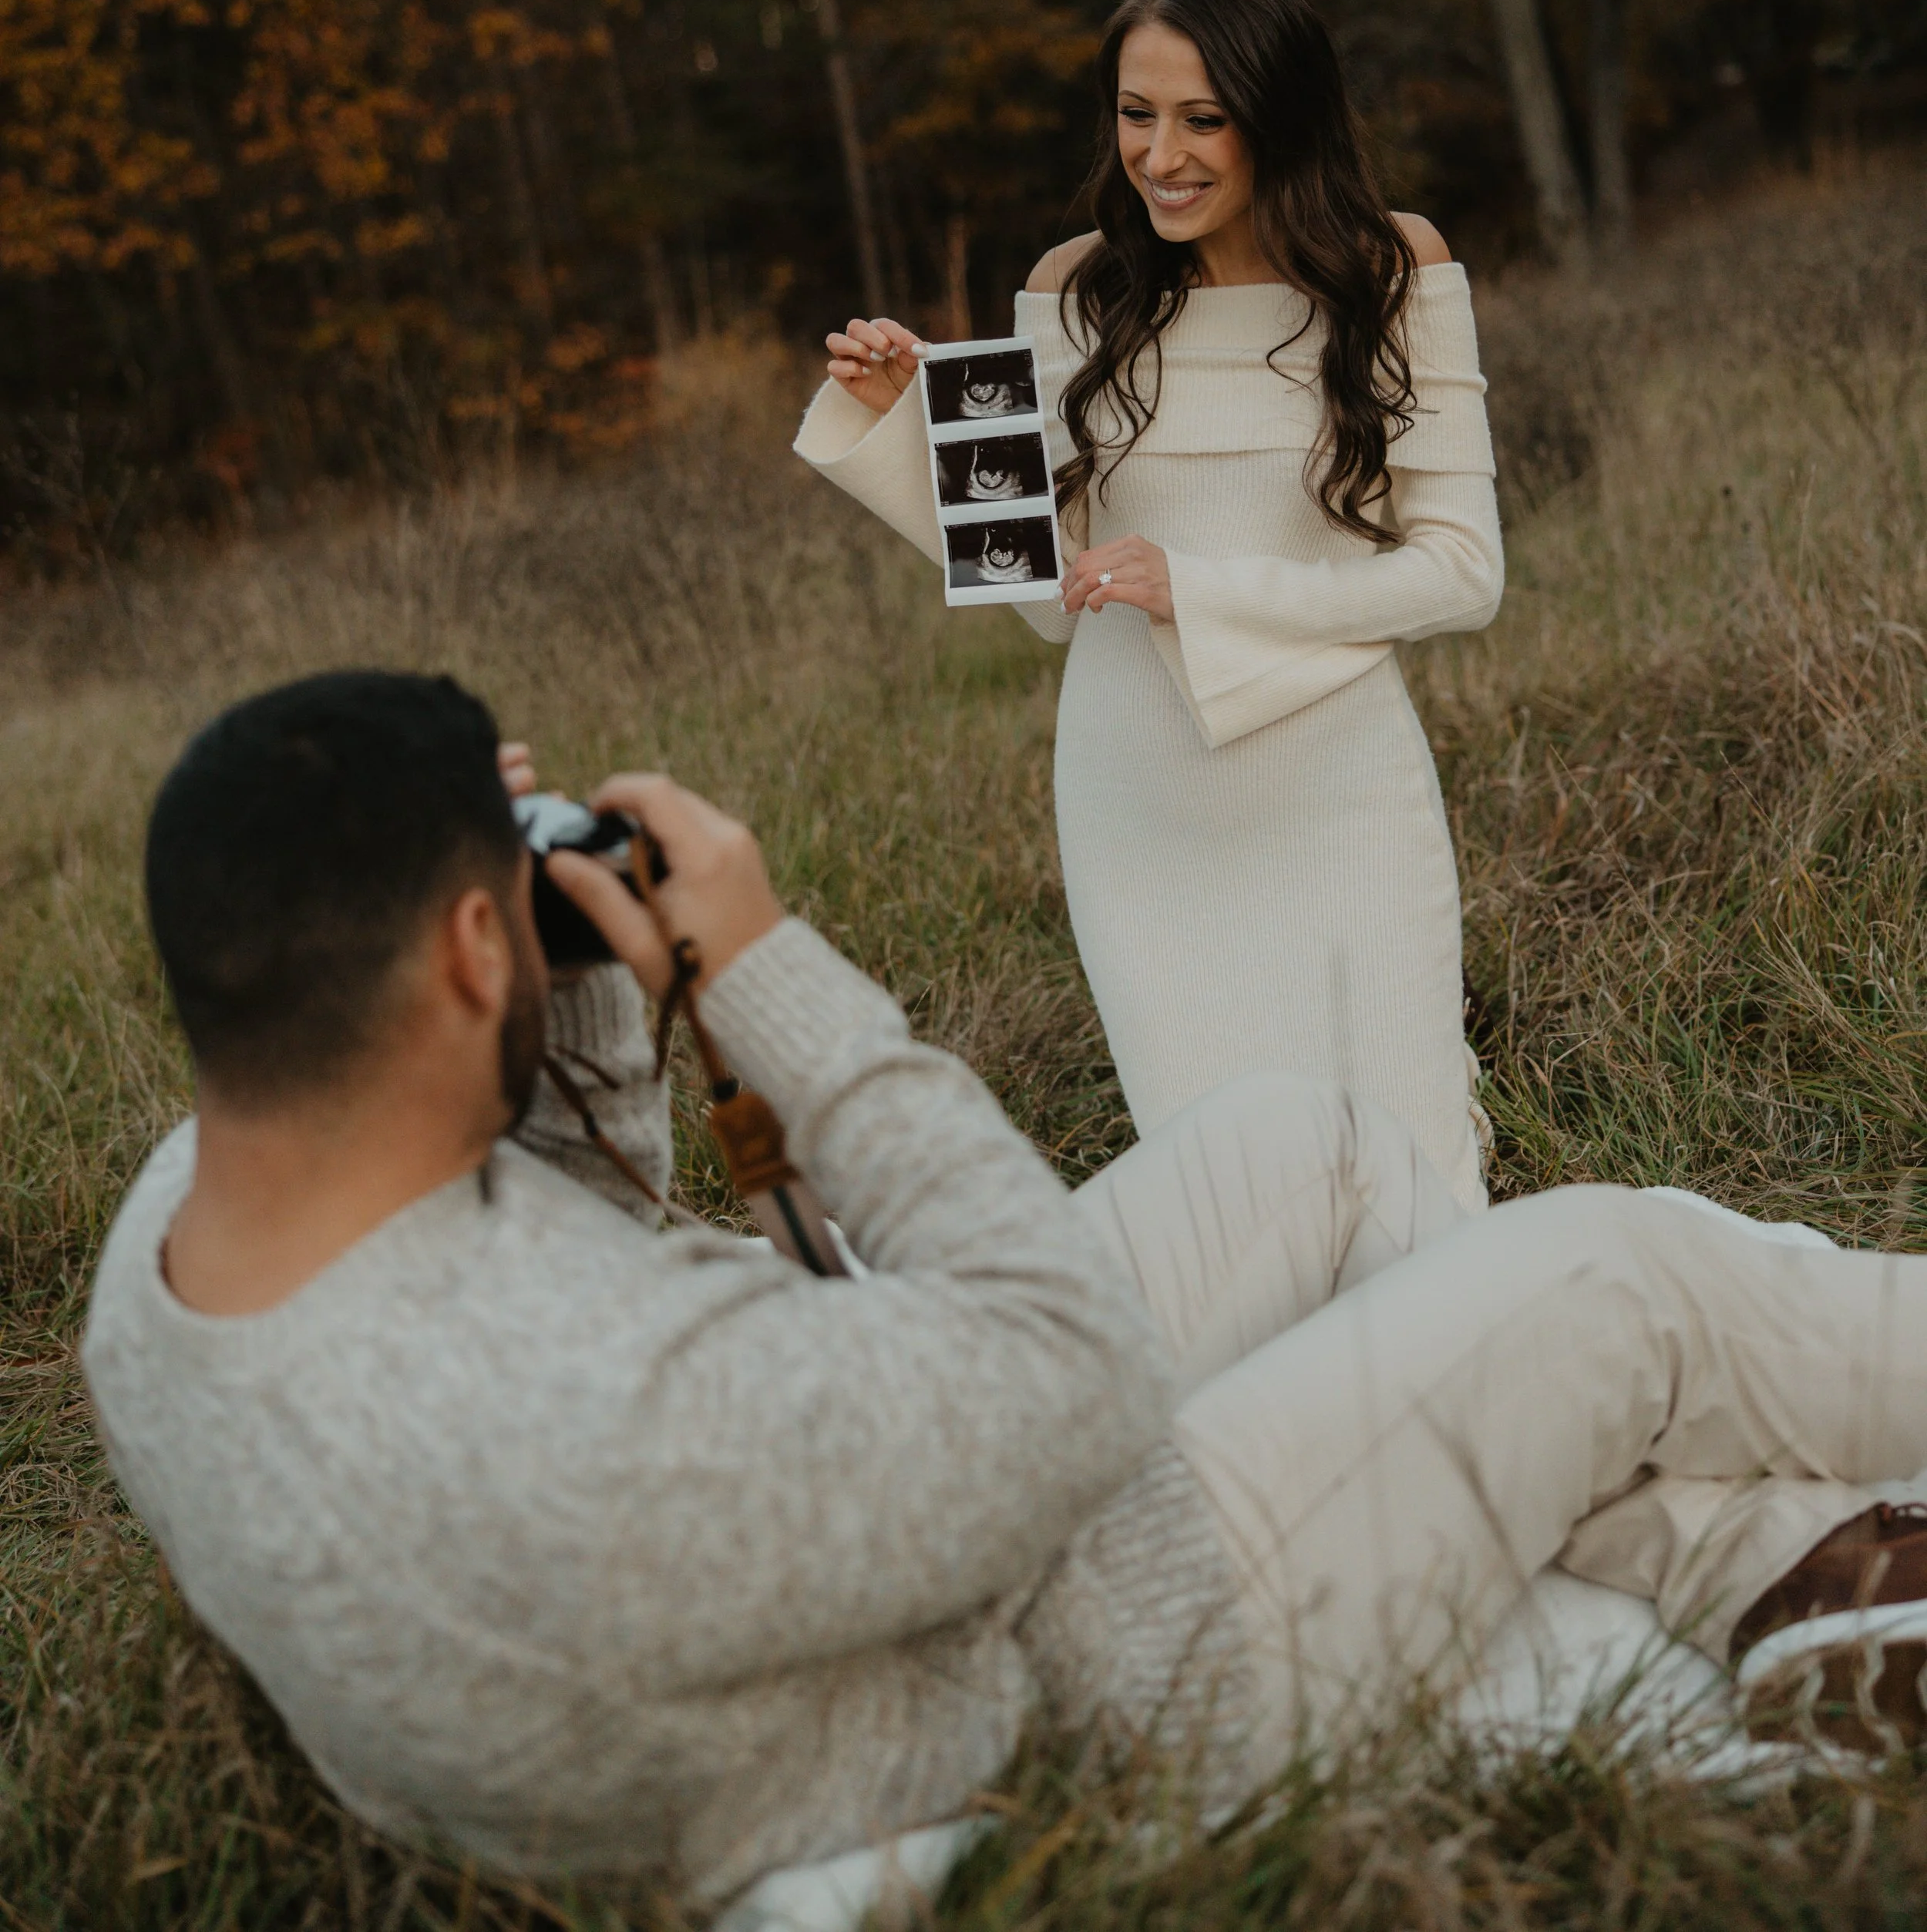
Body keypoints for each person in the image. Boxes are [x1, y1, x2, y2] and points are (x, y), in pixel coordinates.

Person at [85, 671, 1927, 1912]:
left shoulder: (179, 1240)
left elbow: (542, 1234)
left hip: (875, 1542)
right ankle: (1802, 1544)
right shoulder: (606, 1412)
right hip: (1114, 1655)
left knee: (1304, 1139)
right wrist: (770, 982)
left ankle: (1768, 1560)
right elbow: (1069, 1364)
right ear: (469, 937)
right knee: (1623, 1273)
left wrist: (554, 986)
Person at [798, 0, 1502, 1208]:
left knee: (1416, 1190)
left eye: (1202, 119)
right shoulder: (1073, 290)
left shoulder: (1393, 270)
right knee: (1237, 1207)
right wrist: (919, 422)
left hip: (1341, 790)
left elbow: (1463, 574)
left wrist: (1203, 587)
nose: (1159, 154)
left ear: (1276, 118)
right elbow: (1041, 598)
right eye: (1135, 113)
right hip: (1139, 807)